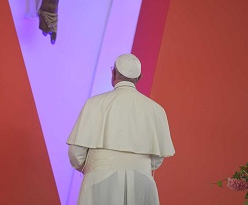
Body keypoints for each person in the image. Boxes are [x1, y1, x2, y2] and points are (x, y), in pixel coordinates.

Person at [67, 54, 175, 205]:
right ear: (139, 78)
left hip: (99, 180)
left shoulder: (94, 103)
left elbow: (76, 153)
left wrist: (94, 168)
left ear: (113, 74)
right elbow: (156, 160)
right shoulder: (156, 110)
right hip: (142, 181)